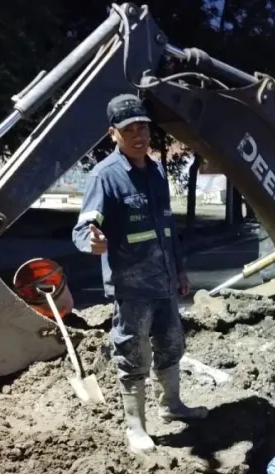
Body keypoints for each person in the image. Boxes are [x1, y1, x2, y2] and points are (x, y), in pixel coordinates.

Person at [72, 94, 207, 454]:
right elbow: (84, 228)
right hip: (131, 288)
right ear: (112, 133)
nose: (139, 135)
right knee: (132, 352)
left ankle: (172, 405)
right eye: (129, 129)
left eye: (143, 127)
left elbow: (167, 228)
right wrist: (92, 241)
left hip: (163, 282)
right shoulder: (106, 177)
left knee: (171, 344)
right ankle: (135, 426)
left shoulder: (156, 171)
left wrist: (179, 270)